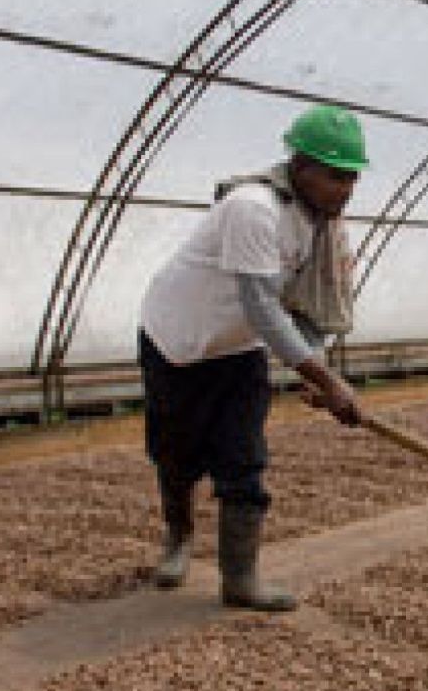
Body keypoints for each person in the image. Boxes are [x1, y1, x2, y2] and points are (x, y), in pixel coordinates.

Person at [138, 104, 368, 612]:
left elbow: (309, 305)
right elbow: (262, 304)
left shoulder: (321, 225)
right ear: (302, 168)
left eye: (353, 177)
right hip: (177, 340)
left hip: (238, 350)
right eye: (336, 176)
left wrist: (316, 369)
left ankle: (240, 579)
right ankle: (178, 539)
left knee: (243, 458)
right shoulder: (253, 207)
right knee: (175, 454)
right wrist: (327, 381)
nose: (347, 189)